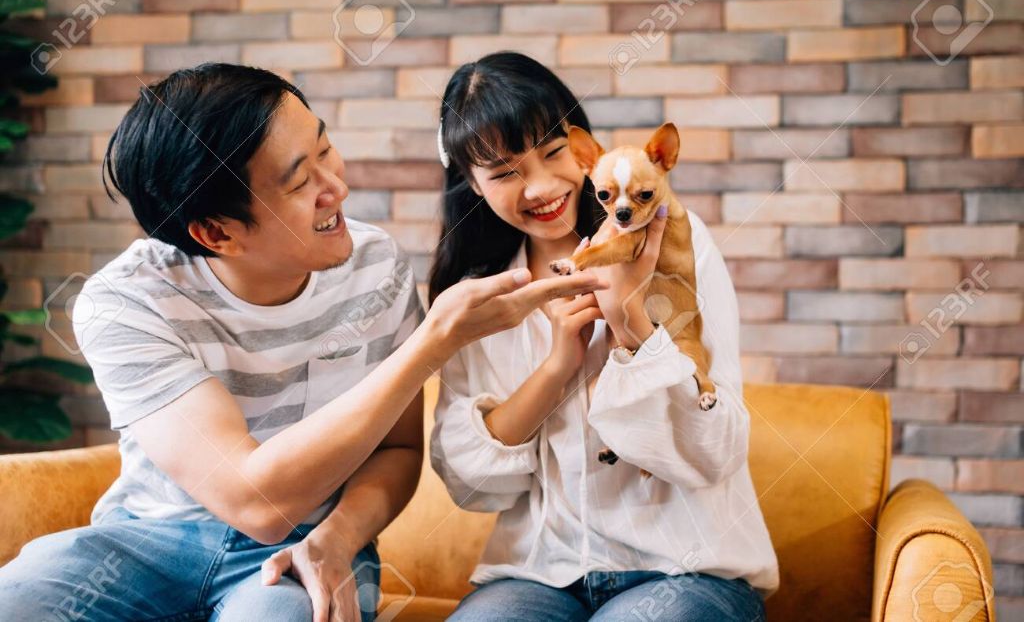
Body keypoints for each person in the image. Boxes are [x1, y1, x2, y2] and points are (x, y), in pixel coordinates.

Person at [0, 63, 605, 622]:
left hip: (311, 544)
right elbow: (257, 503)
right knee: (20, 598)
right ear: (217, 232)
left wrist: (339, 538)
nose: (335, 187)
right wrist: (431, 343)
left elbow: (396, 453)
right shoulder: (127, 302)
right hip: (148, 539)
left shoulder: (376, 270)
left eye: (324, 149)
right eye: (298, 183)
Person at [429, 52, 779, 621]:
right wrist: (556, 367)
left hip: (687, 569)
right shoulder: (476, 296)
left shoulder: (682, 250)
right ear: (470, 184)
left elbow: (717, 452)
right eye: (504, 172)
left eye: (551, 152)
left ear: (584, 149)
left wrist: (630, 322)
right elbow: (470, 487)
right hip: (540, 573)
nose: (541, 186)